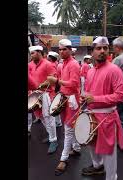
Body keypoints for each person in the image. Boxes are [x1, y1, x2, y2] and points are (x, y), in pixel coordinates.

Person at [80, 36, 123, 180]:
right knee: (92, 145)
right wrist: (84, 100)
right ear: (92, 51)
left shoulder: (114, 70)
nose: (102, 51)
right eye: (98, 48)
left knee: (109, 153)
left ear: (109, 50)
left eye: (105, 48)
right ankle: (97, 166)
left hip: (107, 118)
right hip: (91, 115)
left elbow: (121, 96)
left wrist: (95, 99)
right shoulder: (90, 71)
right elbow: (88, 92)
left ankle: (112, 177)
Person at [45, 39, 81, 176]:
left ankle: (63, 158)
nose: (61, 51)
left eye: (64, 49)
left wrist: (57, 81)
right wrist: (53, 86)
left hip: (72, 100)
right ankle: (77, 148)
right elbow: (59, 83)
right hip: (63, 98)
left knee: (68, 129)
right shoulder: (61, 65)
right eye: (60, 49)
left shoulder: (74, 65)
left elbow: (74, 84)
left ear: (70, 50)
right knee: (71, 126)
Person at [28, 45, 59, 154]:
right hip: (34, 95)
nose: (31, 56)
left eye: (33, 53)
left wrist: (41, 85)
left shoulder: (48, 64)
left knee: (48, 117)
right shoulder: (30, 65)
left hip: (46, 94)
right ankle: (51, 135)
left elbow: (53, 80)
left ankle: (54, 140)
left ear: (39, 52)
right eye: (30, 53)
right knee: (40, 117)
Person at [112, 37, 123, 152]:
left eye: (113, 47)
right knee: (122, 120)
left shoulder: (118, 60)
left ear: (117, 47)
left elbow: (109, 76)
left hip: (116, 96)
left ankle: (113, 144)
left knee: (112, 120)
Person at [47, 51, 63, 127]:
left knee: (53, 105)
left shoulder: (52, 65)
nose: (47, 57)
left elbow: (54, 78)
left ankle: (57, 122)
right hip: (56, 86)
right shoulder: (56, 64)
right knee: (55, 104)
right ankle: (58, 121)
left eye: (48, 56)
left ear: (51, 58)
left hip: (53, 87)